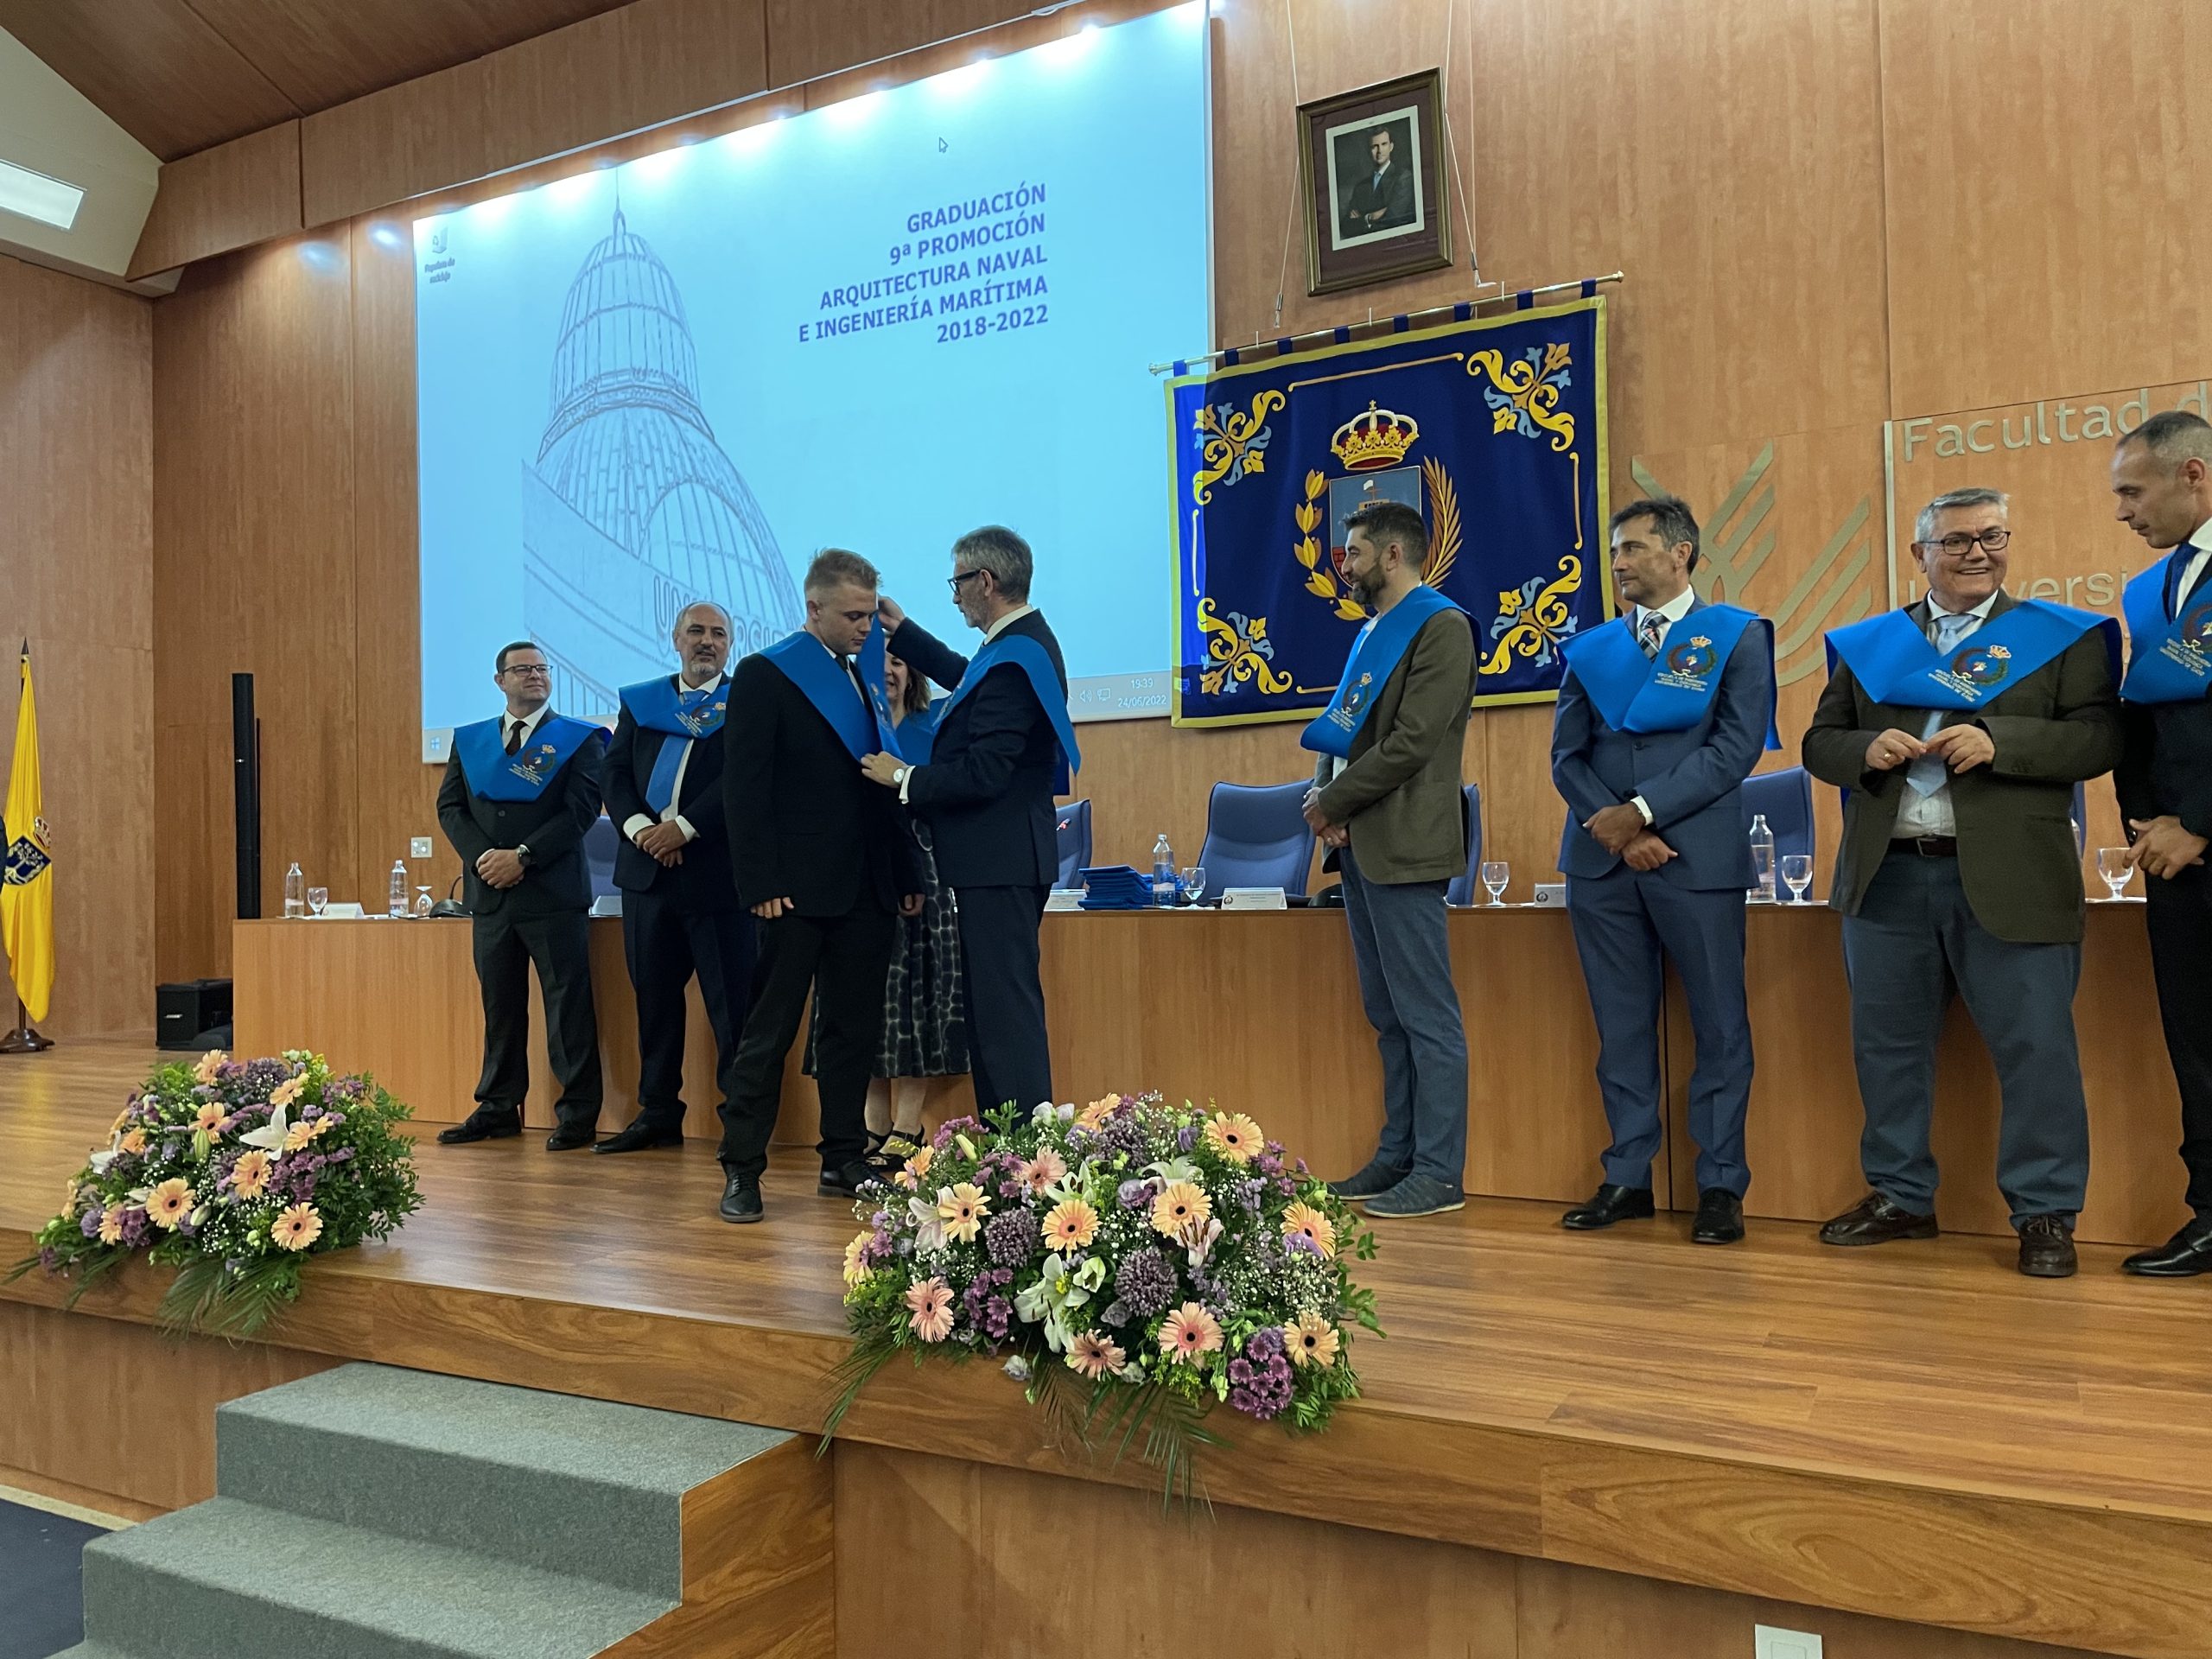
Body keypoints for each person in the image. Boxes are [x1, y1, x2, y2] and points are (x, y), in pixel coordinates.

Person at [1805, 487, 2121, 1279]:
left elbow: (2099, 737)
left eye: (1992, 536)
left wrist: (2000, 740)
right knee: (1888, 1051)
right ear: (1921, 556)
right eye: (1957, 542)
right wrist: (1860, 751)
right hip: (1888, 881)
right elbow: (1819, 740)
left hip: (2014, 880)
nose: (1978, 552)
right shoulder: (1869, 643)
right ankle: (1901, 1196)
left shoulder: (2059, 638)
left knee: (2037, 1052)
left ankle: (2046, 1212)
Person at [1551, 496, 1773, 1245]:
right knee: (1620, 1028)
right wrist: (1616, 830)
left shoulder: (1737, 636)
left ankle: (1720, 1186)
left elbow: (1735, 750)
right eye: (1616, 550)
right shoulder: (1591, 649)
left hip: (1696, 858)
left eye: (1636, 548)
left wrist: (1641, 812)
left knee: (1719, 1026)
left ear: (1681, 554)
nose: (1620, 563)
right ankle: (1627, 1176)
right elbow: (1567, 756)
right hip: (1603, 863)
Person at [716, 551, 923, 1224]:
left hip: (866, 886)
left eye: (870, 613)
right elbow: (744, 788)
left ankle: (842, 1157)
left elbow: (883, 784)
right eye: (853, 615)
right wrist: (760, 881)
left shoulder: (865, 677)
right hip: (793, 891)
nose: (866, 627)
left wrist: (906, 873)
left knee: (852, 1031)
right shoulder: (765, 674)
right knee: (768, 1032)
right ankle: (742, 1168)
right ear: (814, 610)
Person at [862, 526, 1079, 1119]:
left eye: (958, 581)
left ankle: (1029, 1162)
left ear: (986, 581)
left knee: (1005, 1017)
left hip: (1001, 861)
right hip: (996, 859)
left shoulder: (1018, 658)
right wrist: (903, 632)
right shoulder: (1011, 647)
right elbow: (965, 676)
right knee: (990, 1014)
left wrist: (903, 778)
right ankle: (1006, 1156)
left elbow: (985, 772)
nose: (954, 595)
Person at [1305, 499, 1478, 1220]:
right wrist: (1326, 801)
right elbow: (1342, 729)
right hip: (1362, 843)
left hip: (1406, 843)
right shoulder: (1373, 631)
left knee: (1427, 1015)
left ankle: (1440, 1172)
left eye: (1353, 552)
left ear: (1394, 555)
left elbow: (1411, 742)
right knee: (1387, 1014)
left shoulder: (1441, 627)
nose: (1343, 564)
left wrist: (1334, 803)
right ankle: (1397, 1154)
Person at [435, 640, 608, 1150]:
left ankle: (577, 1114)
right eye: (522, 669)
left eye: (541, 669)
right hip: (490, 898)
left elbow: (581, 811)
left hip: (552, 895)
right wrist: (486, 860)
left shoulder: (578, 739)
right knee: (500, 1008)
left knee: (567, 1010)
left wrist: (524, 855)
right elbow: (450, 808)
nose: (534, 676)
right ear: (500, 681)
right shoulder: (471, 742)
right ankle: (497, 1107)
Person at [2110, 411, 2212, 1276]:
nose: (2121, 512)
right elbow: (2139, 717)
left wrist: (2201, 821)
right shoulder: (2149, 590)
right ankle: (2210, 1214)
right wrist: (2147, 825)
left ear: (2192, 476)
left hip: (2202, 834)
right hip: (2175, 858)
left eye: (2131, 491)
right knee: (2196, 1042)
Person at [596, 601, 753, 1154]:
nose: (706, 641)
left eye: (718, 634)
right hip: (648, 879)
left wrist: (684, 828)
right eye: (696, 632)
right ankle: (658, 1113)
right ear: (675, 639)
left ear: (730, 645)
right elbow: (613, 772)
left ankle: (740, 1121)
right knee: (655, 1005)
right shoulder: (642, 703)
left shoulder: (748, 703)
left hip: (717, 878)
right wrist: (642, 830)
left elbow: (743, 779)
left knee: (732, 1010)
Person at [810, 647, 966, 1167]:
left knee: (916, 1000)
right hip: (865, 876)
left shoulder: (934, 726)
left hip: (926, 874)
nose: (891, 672)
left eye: (899, 663)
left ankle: (908, 1125)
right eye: (880, 665)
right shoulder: (856, 729)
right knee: (868, 1001)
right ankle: (874, 1124)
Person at [1340, 125, 1416, 238]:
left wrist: (1361, 219)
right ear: (1368, 150)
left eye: (1384, 144)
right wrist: (1370, 217)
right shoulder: (1361, 187)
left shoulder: (1404, 177)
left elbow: (1394, 218)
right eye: (1374, 146)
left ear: (1391, 146)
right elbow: (1346, 227)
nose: (1379, 151)